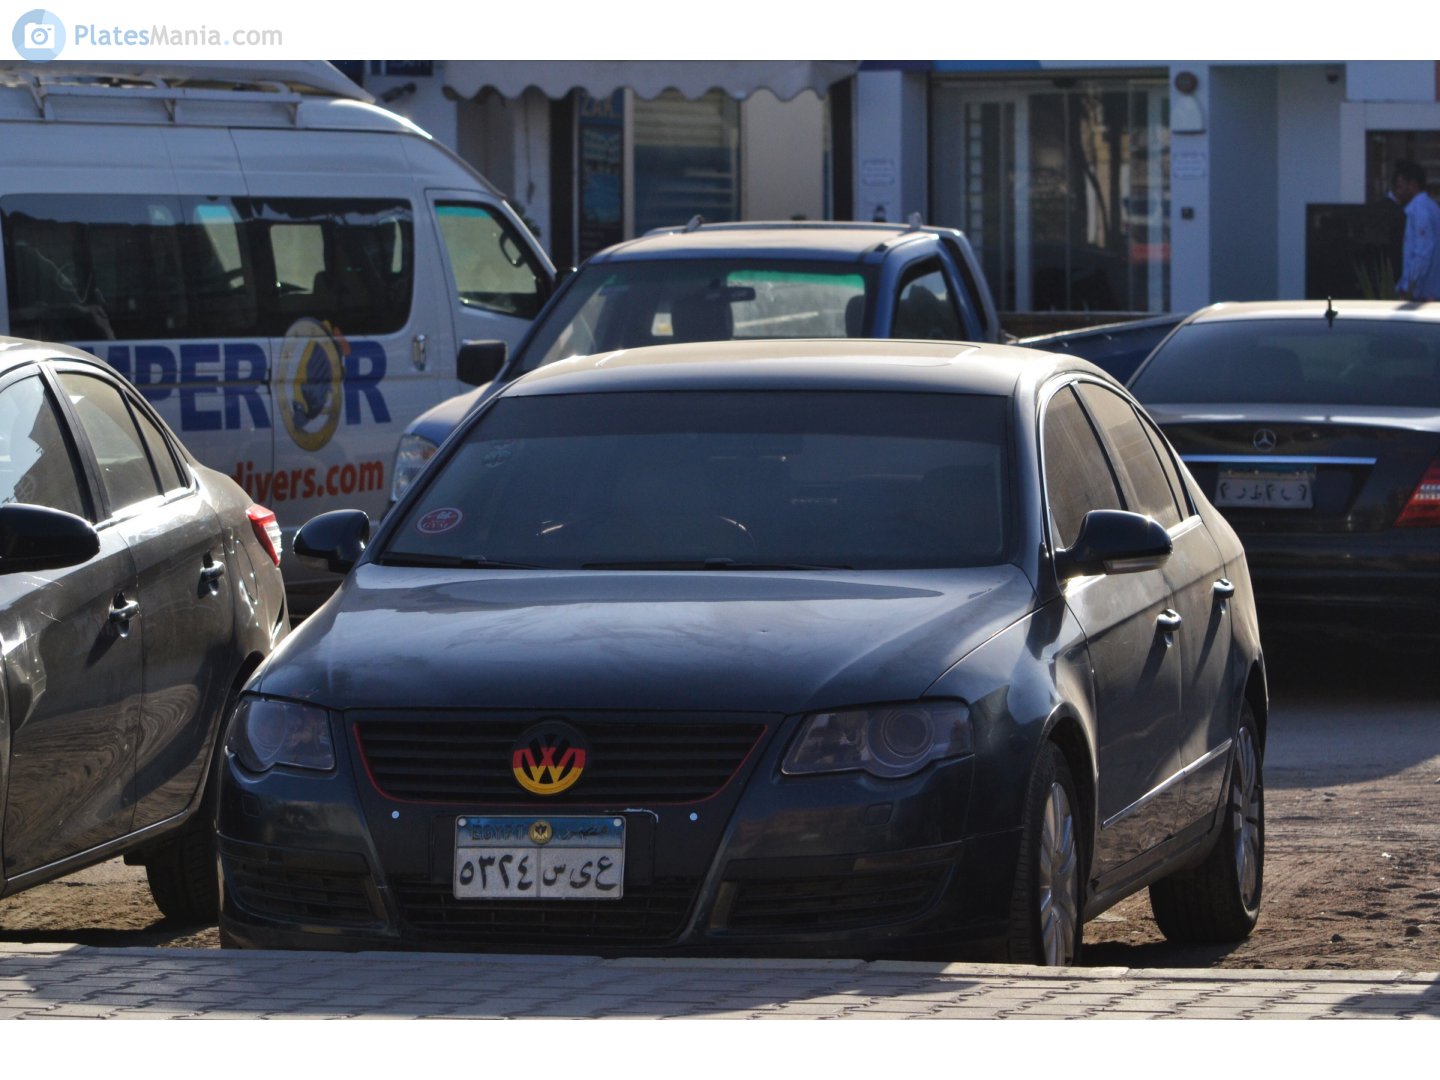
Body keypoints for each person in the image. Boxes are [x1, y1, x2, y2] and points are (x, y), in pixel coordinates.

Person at [1392, 159, 1440, 301]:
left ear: (1413, 185)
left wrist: (1406, 287)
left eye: (1400, 187)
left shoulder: (1420, 210)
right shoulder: (1429, 207)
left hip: (1425, 294)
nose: (1397, 193)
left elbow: (1422, 254)